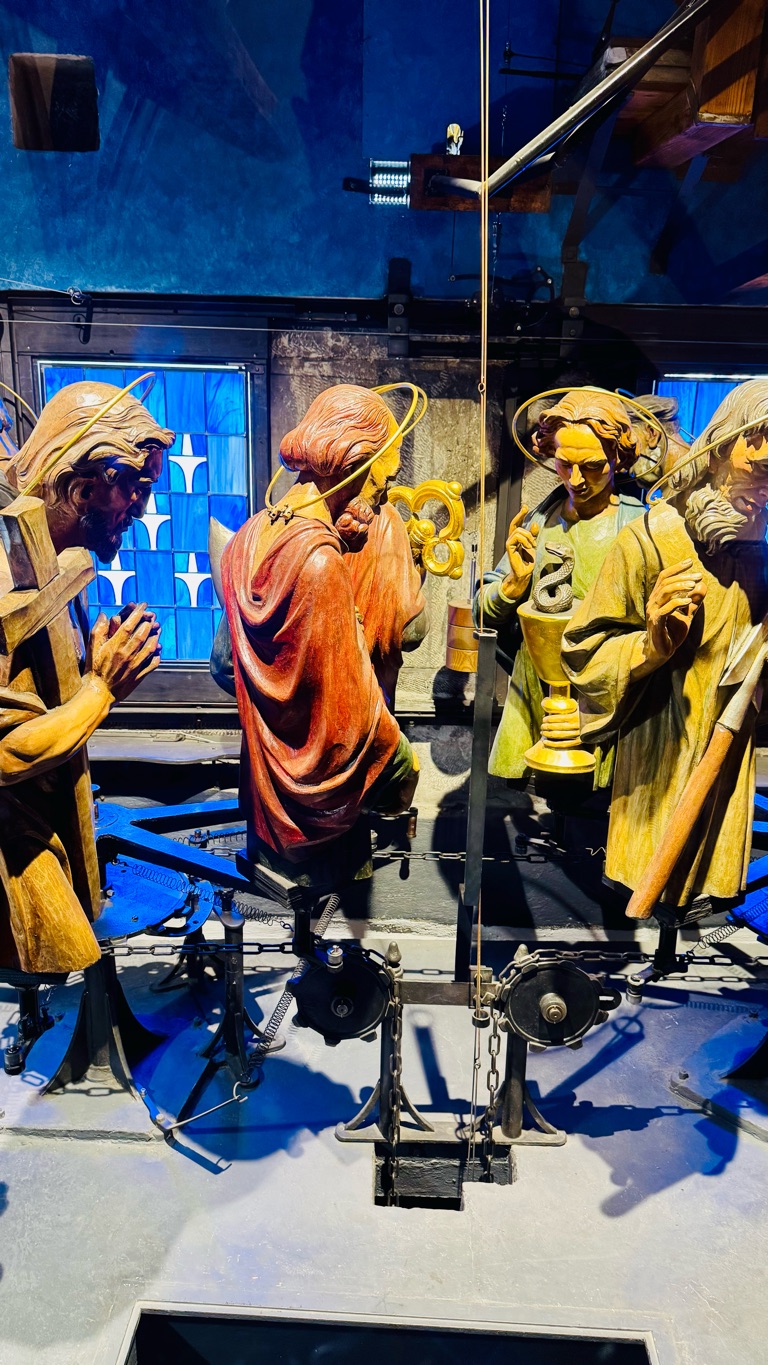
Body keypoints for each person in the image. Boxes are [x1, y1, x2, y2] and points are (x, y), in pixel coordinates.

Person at [562, 379, 768, 910]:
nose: (765, 493)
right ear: (721, 448)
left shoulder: (757, 554)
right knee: (653, 881)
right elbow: (584, 652)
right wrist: (650, 647)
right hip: (658, 766)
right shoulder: (649, 541)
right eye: (760, 470)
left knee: (708, 886)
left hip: (727, 769)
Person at [0, 380, 174, 974]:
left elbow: (43, 693)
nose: (142, 509)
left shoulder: (58, 558)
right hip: (15, 850)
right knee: (63, 945)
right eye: (135, 489)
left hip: (54, 816)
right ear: (79, 488)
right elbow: (5, 754)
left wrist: (94, 669)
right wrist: (101, 689)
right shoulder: (6, 573)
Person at [221, 384, 419, 886]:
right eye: (383, 478)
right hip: (314, 808)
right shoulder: (320, 563)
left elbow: (225, 664)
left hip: (263, 787)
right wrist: (403, 761)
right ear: (356, 463)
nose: (383, 493)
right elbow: (347, 722)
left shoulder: (247, 536)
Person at [474, 389, 644, 784]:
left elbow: (654, 634)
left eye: (593, 466)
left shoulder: (636, 526)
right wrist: (514, 584)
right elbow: (482, 609)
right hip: (536, 689)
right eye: (565, 464)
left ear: (618, 458)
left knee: (596, 795)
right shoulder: (541, 520)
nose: (577, 480)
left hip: (607, 698)